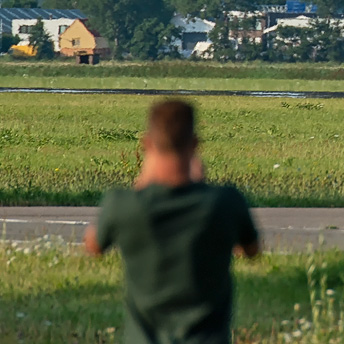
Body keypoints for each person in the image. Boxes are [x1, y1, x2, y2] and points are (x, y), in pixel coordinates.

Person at [84, 98, 260, 343]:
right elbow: (251, 250)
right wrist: (202, 185)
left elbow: (94, 246)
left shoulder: (122, 205)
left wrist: (143, 182)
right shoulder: (226, 202)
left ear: (147, 144)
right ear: (195, 144)